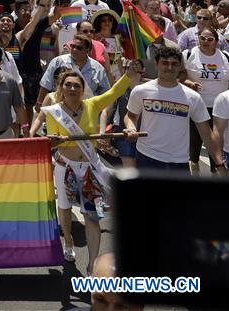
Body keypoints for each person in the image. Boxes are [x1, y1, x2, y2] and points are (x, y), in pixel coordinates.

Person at [30, 62, 140, 273]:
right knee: (64, 206)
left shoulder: (92, 105)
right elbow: (53, 140)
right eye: (68, 85)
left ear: (82, 89)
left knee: (91, 216)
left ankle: (92, 263)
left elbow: (114, 92)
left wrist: (129, 75)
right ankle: (68, 241)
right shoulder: (53, 111)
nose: (72, 88)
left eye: (77, 85)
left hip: (89, 168)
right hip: (65, 167)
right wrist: (53, 141)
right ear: (61, 88)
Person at [123, 45, 228, 175]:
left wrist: (219, 163)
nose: (169, 67)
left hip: (179, 162)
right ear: (156, 65)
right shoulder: (140, 91)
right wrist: (131, 127)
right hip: (146, 157)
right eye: (165, 63)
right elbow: (131, 115)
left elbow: (206, 133)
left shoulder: (193, 97)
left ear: (180, 67)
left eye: (174, 64)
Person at [182, 26, 229, 173]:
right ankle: (194, 172)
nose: (205, 42)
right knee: (195, 142)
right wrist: (189, 83)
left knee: (215, 142)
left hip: (219, 109)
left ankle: (217, 173)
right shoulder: (188, 54)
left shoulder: (226, 56)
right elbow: (177, 76)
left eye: (210, 39)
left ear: (216, 41)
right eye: (202, 38)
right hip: (196, 105)